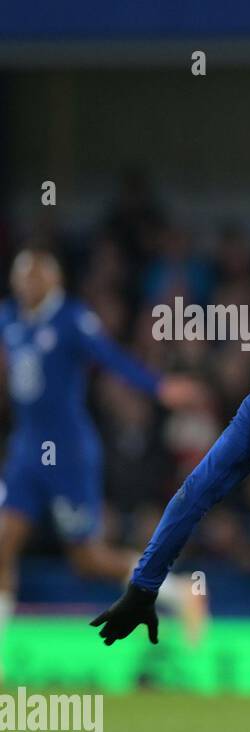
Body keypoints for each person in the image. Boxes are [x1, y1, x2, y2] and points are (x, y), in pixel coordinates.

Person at [1, 247, 206, 669]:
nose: (25, 284)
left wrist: (158, 387)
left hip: (68, 453)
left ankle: (178, 591)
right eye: (20, 276)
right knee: (4, 544)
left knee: (88, 559)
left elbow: (110, 357)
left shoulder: (71, 318)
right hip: (25, 450)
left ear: (52, 281)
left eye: (33, 276)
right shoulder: (10, 317)